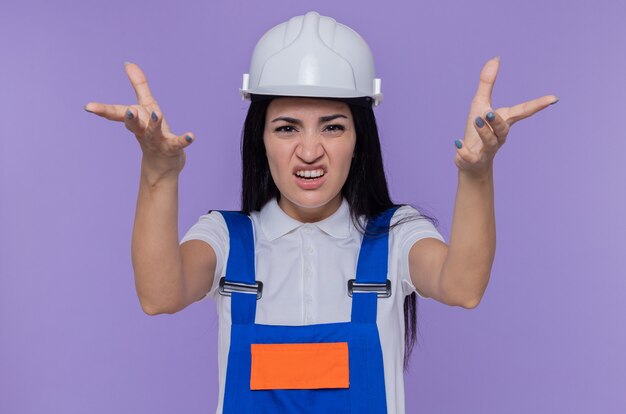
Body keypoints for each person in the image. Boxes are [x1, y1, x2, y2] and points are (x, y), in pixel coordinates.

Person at [84, 10, 557, 414]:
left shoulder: (395, 236)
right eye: (287, 128)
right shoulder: (227, 239)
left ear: (359, 141)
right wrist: (160, 174)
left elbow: (463, 287)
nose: (309, 151)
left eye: (332, 127)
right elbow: (158, 295)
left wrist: (476, 176)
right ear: (261, 140)